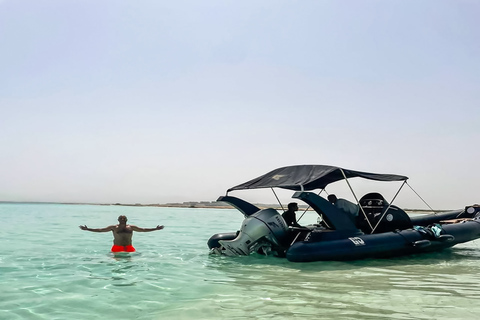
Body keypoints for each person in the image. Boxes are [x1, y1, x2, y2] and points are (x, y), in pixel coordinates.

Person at [79, 215, 164, 252]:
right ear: (118, 220)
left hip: (129, 247)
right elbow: (101, 230)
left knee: (130, 265)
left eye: (124, 218)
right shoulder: (114, 227)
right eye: (121, 218)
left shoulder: (131, 227)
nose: (122, 219)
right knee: (117, 265)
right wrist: (88, 229)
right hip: (117, 248)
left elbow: (143, 230)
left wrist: (155, 229)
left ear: (126, 220)